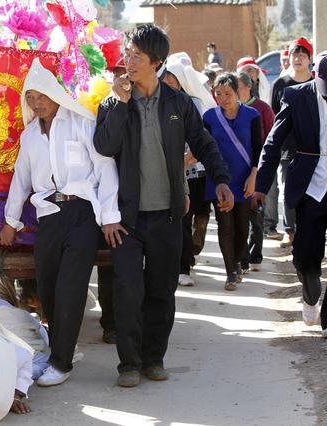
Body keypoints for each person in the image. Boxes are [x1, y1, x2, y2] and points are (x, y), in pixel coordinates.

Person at [94, 24, 232, 387]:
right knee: (127, 291)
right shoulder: (113, 103)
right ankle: (128, 364)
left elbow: (203, 143)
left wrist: (220, 179)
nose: (128, 61)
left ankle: (154, 358)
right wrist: (122, 104)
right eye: (128, 54)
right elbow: (104, 147)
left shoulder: (178, 103)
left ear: (156, 62)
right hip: (127, 218)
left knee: (160, 290)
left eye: (137, 56)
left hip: (169, 215)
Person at [0, 58, 121, 387]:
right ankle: (60, 349)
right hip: (49, 217)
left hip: (82, 214)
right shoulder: (29, 137)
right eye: (31, 98)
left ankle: (61, 363)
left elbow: (105, 170)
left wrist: (109, 217)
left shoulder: (81, 123)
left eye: (42, 96)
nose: (37, 103)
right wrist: (10, 220)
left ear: (55, 94)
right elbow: (21, 179)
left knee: (71, 287)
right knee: (48, 286)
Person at [252, 55, 327, 333]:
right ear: (314, 75)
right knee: (307, 254)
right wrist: (261, 185)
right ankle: (310, 293)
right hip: (309, 185)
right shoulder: (296, 96)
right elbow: (273, 143)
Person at [203, 73, 262, 290]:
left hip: (245, 178)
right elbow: (204, 149)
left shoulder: (252, 115)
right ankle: (230, 272)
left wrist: (254, 177)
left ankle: (237, 261)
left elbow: (258, 149)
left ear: (238, 92)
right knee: (224, 225)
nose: (223, 98)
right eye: (218, 94)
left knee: (242, 226)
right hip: (219, 180)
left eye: (228, 93)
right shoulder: (209, 117)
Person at [162, 56, 215, 287]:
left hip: (196, 170)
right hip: (174, 170)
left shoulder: (195, 103)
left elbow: (202, 137)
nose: (166, 82)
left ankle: (190, 254)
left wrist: (187, 159)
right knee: (181, 219)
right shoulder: (162, 102)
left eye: (171, 78)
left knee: (198, 216)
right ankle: (183, 267)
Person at [267, 38, 314, 248]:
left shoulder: (318, 83)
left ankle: (310, 232)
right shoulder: (280, 85)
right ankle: (290, 230)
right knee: (287, 191)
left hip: (314, 151)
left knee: (312, 193)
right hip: (287, 149)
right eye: (294, 55)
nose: (297, 58)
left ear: (310, 59)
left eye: (302, 55)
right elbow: (273, 118)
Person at [236, 71, 275, 273]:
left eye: (238, 88)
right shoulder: (231, 109)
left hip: (258, 168)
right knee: (240, 216)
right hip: (238, 169)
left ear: (248, 87)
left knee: (256, 215)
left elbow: (271, 136)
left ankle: (255, 255)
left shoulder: (262, 108)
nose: (234, 92)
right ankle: (242, 258)